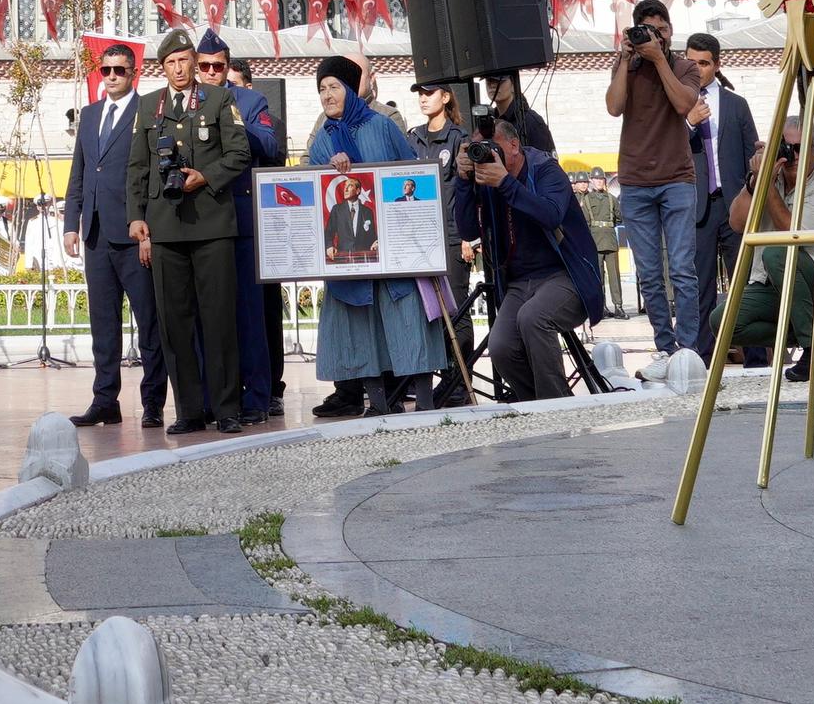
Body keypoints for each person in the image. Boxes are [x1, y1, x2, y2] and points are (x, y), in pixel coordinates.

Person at [125, 25, 251, 431]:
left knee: (218, 321)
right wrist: (136, 216)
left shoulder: (218, 98)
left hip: (212, 225)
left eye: (183, 61)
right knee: (174, 324)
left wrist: (205, 177)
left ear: (195, 63)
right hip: (166, 227)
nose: (178, 69)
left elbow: (239, 153)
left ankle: (227, 409)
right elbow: (137, 167)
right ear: (162, 68)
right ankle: (190, 410)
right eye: (170, 63)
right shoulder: (149, 107)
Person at [299, 55, 428, 418]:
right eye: (321, 89)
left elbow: (411, 172)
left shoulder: (382, 125)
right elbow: (312, 185)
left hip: (393, 248)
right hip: (351, 253)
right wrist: (328, 173)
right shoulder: (323, 139)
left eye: (334, 87)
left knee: (406, 323)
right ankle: (378, 402)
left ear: (351, 90)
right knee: (361, 329)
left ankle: (422, 397)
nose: (327, 95)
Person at [456, 108, 602, 401]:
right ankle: (536, 404)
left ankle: (556, 408)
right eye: (480, 150)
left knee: (533, 318)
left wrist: (505, 183)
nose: (487, 156)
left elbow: (550, 215)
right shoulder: (486, 179)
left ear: (513, 145)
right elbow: (468, 229)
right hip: (520, 282)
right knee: (500, 346)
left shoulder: (545, 169)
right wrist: (463, 180)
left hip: (566, 275)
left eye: (493, 148)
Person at [58, 39, 160, 430]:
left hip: (134, 234)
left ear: (133, 73)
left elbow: (149, 175)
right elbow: (80, 172)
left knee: (149, 323)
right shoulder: (89, 115)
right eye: (107, 70)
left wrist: (149, 230)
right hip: (96, 234)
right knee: (103, 324)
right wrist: (72, 223)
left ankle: (152, 402)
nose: (113, 76)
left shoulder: (147, 110)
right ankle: (105, 400)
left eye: (120, 70)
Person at [606, 0, 708, 375]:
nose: (656, 38)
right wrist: (623, 59)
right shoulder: (627, 67)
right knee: (649, 273)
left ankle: (689, 350)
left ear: (670, 31)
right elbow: (614, 107)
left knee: (682, 269)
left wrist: (660, 59)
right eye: (648, 31)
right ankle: (665, 348)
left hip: (676, 179)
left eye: (662, 31)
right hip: (634, 182)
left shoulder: (684, 66)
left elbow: (684, 104)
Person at [208, 35, 290, 417]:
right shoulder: (183, 100)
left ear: (227, 67)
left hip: (241, 220)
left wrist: (234, 121)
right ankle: (213, 400)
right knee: (208, 317)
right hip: (199, 223)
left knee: (249, 314)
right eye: (204, 66)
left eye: (217, 66)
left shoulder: (250, 101)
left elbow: (271, 146)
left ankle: (257, 397)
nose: (210, 73)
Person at [684, 33, 757, 355]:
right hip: (696, 207)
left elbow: (751, 155)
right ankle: (702, 358)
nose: (697, 69)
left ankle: (756, 356)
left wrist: (751, 198)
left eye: (703, 63)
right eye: (691, 62)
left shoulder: (736, 104)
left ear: (716, 64)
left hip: (734, 205)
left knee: (745, 281)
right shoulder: (676, 101)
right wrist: (687, 124)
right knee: (699, 286)